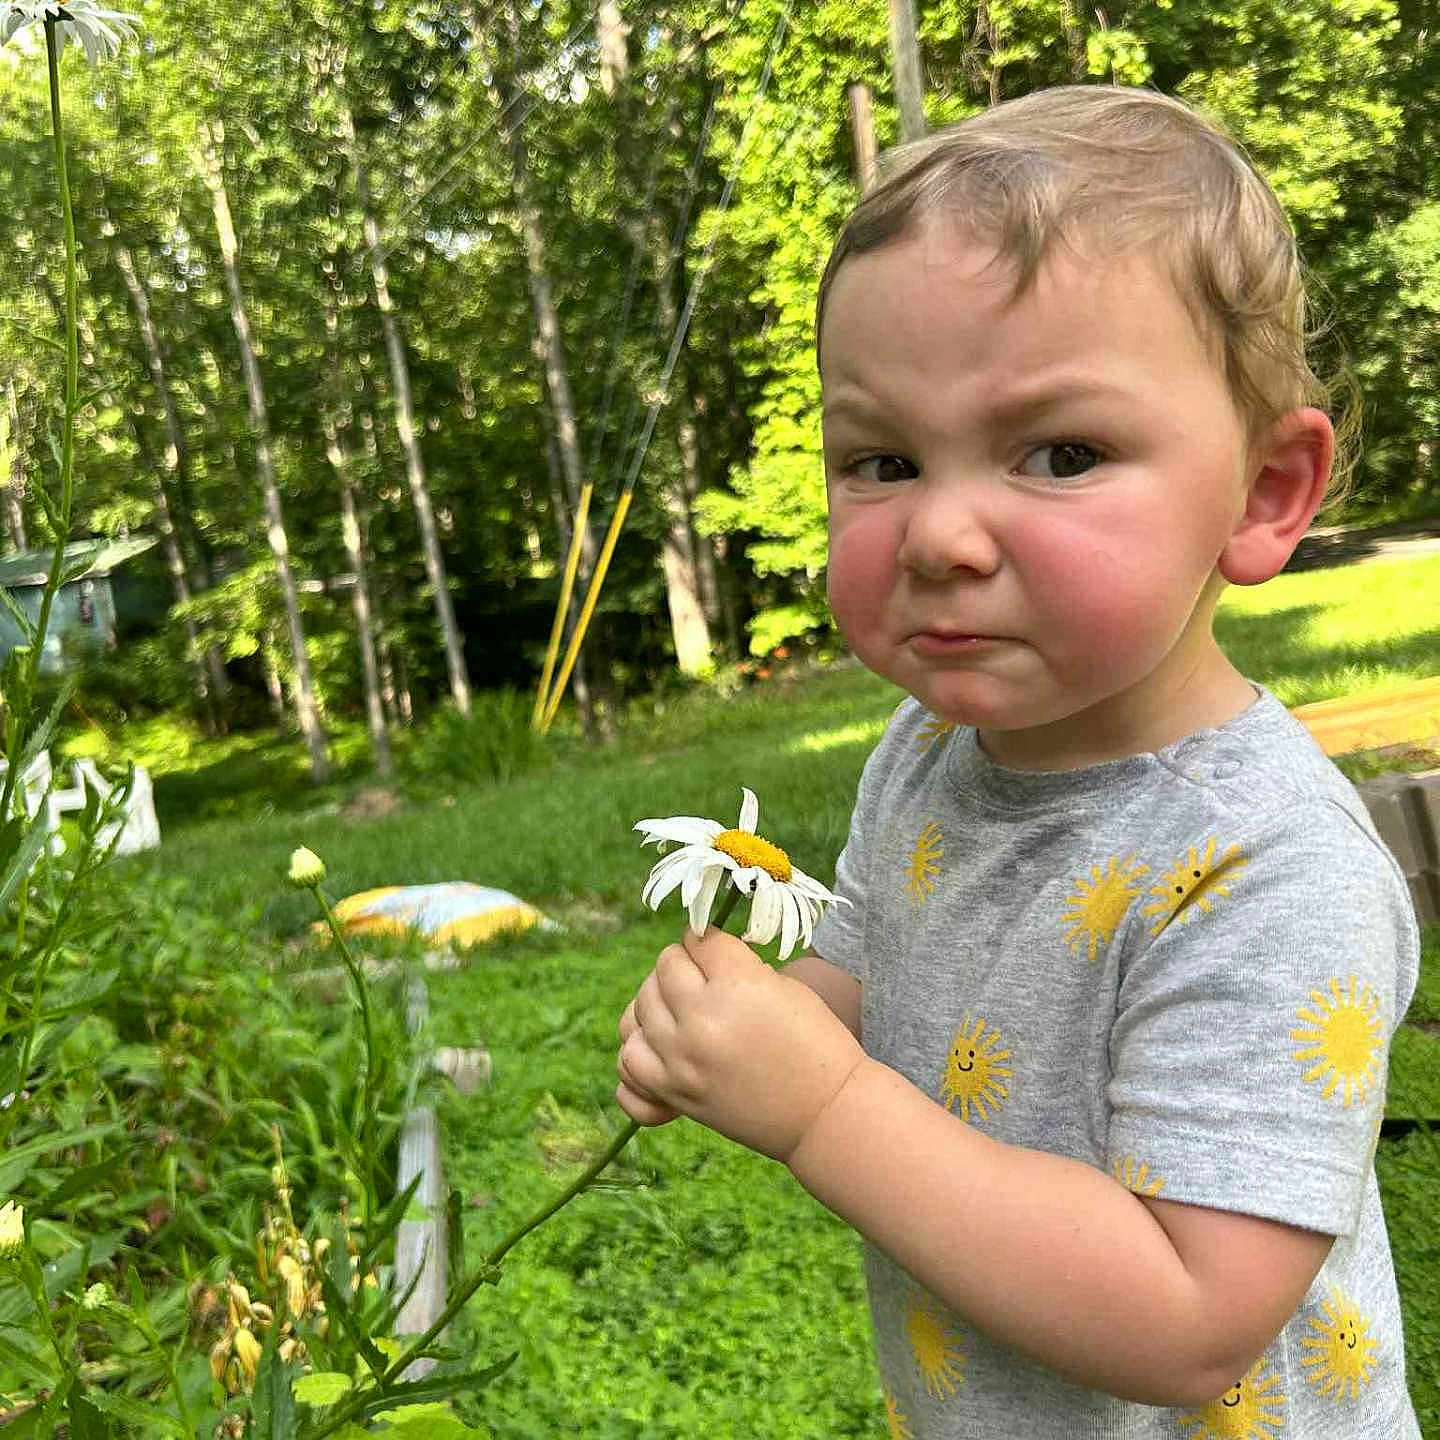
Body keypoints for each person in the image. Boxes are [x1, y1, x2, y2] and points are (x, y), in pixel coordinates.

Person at [615, 85, 1422, 1438]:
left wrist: (817, 1108)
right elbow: (870, 970)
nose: (940, 534)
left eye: (1059, 454)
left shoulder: (1266, 865)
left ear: (1266, 493)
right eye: (882, 460)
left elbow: (1188, 1316)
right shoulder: (930, 750)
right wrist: (752, 1028)